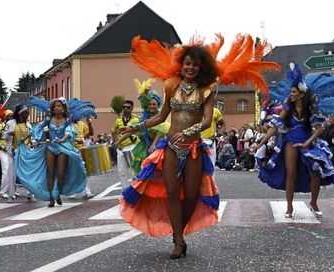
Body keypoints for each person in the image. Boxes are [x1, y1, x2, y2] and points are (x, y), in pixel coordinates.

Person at [119, 34, 279, 259]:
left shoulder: (206, 90)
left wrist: (190, 131)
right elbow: (161, 116)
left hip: (194, 147)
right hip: (171, 147)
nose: (190, 67)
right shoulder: (170, 86)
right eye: (187, 63)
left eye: (195, 64)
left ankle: (178, 232)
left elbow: (206, 120)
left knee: (192, 196)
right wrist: (136, 128)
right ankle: (178, 239)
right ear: (181, 65)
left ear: (200, 67)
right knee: (172, 193)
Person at [254, 63, 334, 218]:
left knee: (316, 172)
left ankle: (313, 202)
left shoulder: (311, 109)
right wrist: (260, 143)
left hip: (308, 141)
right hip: (291, 142)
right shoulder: (287, 109)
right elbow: (274, 128)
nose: (291, 94)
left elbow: (319, 130)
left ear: (301, 94)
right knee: (291, 173)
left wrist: (306, 143)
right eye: (291, 91)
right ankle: (289, 207)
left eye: (294, 92)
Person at [14, 98, 87, 207]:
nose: (57, 108)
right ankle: (52, 199)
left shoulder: (67, 120)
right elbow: (37, 128)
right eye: (55, 106)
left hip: (63, 148)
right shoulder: (49, 119)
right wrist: (24, 139)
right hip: (50, 148)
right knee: (50, 173)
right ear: (53, 109)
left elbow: (70, 131)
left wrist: (63, 139)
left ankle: (57, 193)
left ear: (63, 108)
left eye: (59, 106)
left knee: (61, 174)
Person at [116, 78, 169, 175]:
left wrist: (154, 144)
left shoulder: (160, 117)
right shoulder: (143, 118)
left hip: (158, 145)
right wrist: (119, 141)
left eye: (154, 104)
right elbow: (131, 130)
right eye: (149, 104)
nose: (151, 106)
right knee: (143, 170)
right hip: (144, 147)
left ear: (158, 105)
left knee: (158, 171)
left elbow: (161, 131)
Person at [111, 99, 140, 188]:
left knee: (134, 171)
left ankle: (136, 190)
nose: (125, 109)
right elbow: (113, 131)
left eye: (128, 107)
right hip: (121, 148)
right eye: (124, 107)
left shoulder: (136, 119)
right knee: (122, 172)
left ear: (132, 109)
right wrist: (116, 141)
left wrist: (118, 141)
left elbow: (131, 132)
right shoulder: (118, 120)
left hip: (133, 146)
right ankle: (125, 192)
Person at [0, 110, 14, 199]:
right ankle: (3, 191)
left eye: (12, 116)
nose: (11, 117)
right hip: (2, 150)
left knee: (13, 170)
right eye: (9, 116)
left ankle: (12, 190)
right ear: (5, 117)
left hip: (11, 150)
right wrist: (0, 146)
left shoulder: (14, 127)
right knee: (5, 168)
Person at [72, 117, 95, 199]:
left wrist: (89, 122)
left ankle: (86, 191)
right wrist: (77, 140)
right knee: (73, 171)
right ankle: (73, 190)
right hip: (71, 150)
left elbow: (91, 133)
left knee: (87, 170)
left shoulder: (82, 124)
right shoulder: (67, 124)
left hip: (82, 149)